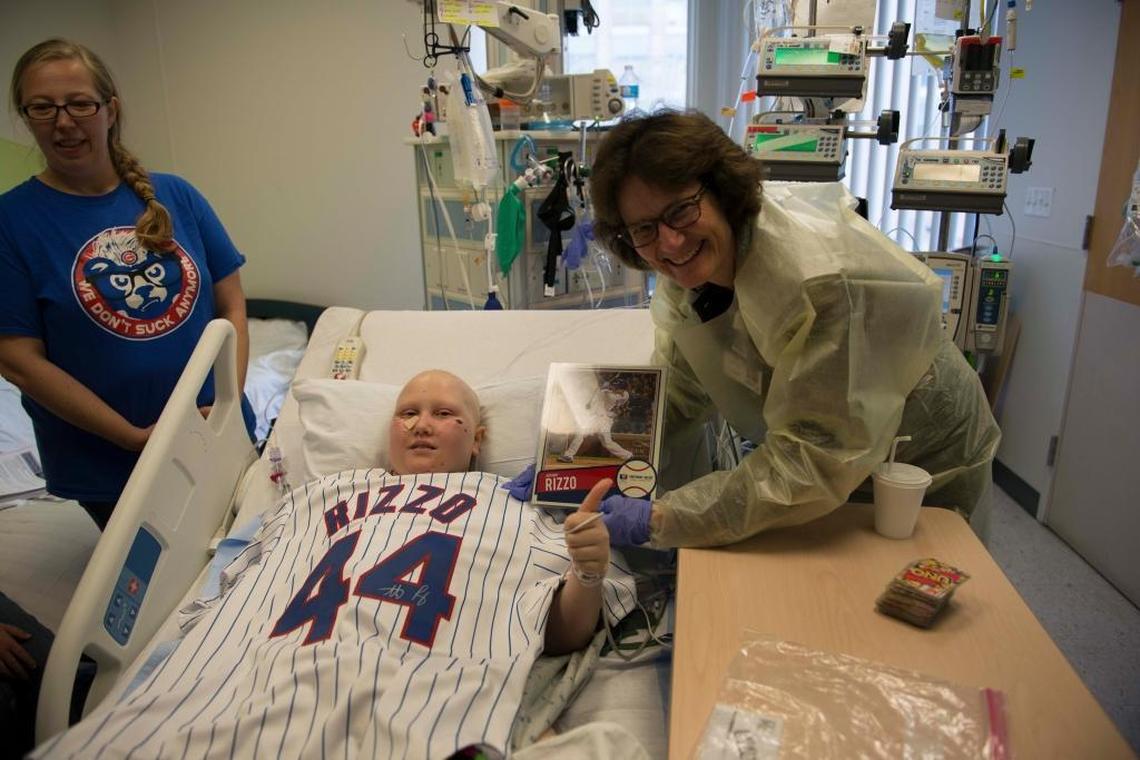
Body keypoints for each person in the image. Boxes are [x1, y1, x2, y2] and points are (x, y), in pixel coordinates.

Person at [33, 370, 634, 759]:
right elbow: (244, 574)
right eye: (407, 412)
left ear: (477, 439)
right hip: (252, 682)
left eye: (445, 414)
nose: (422, 423)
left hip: (421, 695)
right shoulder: (320, 492)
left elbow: (561, 632)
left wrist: (586, 572)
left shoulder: (512, 507)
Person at [587, 110, 1001, 549]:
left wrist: (664, 518)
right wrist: (585, 452)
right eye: (644, 229)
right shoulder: (689, 277)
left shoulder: (820, 285)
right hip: (833, 455)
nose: (669, 243)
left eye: (682, 211)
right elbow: (682, 389)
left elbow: (809, 464)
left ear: (722, 193)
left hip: (921, 461)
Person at [0, 39, 255, 530]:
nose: (64, 121)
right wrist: (137, 438)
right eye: (42, 107)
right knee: (167, 595)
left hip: (217, 435)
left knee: (248, 568)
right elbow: (18, 361)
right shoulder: (12, 222)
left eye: (79, 103)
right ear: (25, 117)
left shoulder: (177, 194)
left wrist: (226, 406)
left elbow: (233, 305)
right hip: (110, 462)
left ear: (109, 110)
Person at [559, 379, 633, 463]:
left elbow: (602, 390)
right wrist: (605, 386)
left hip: (602, 420)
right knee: (583, 435)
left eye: (617, 388)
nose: (614, 388)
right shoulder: (625, 395)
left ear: (623, 389)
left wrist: (602, 385)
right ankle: (629, 456)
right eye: (614, 387)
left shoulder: (610, 395)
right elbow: (604, 389)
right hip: (601, 418)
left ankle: (629, 456)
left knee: (607, 443)